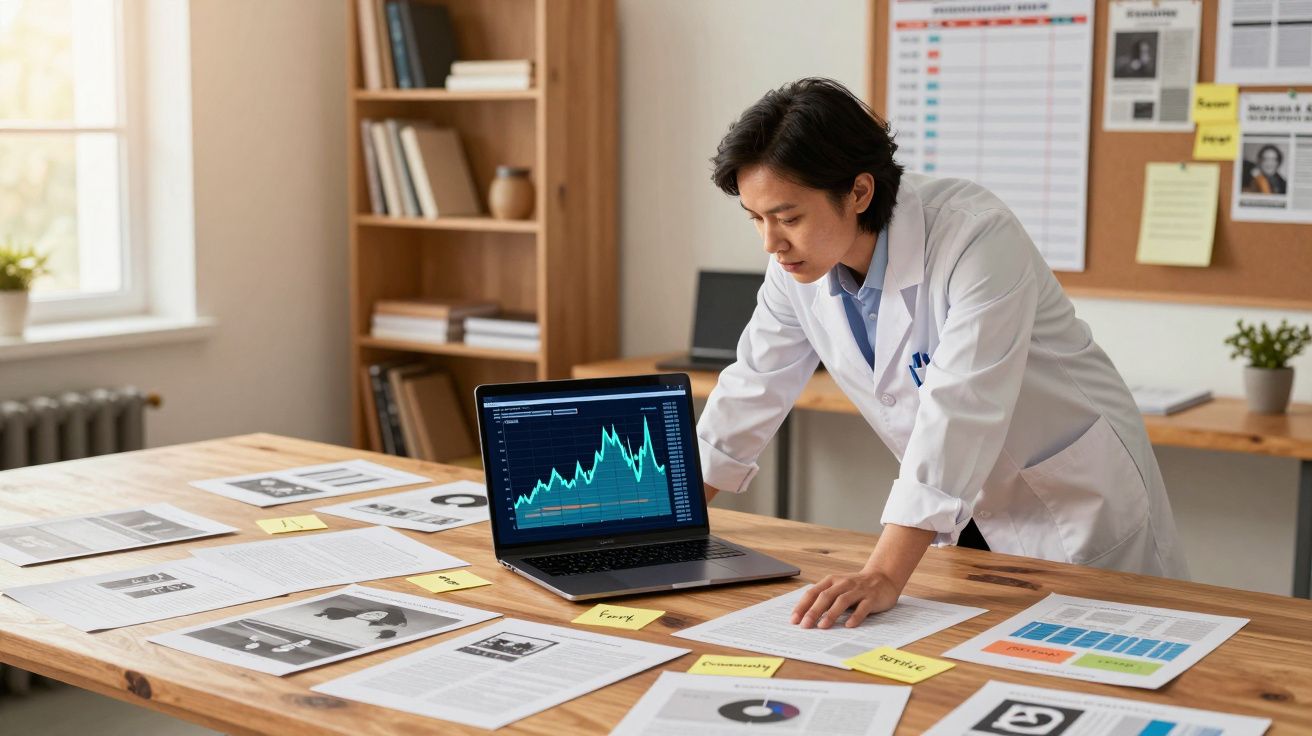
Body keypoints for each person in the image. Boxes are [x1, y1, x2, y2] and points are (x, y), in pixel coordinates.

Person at [696, 78, 1188, 631]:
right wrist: (671, 524)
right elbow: (751, 385)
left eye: (788, 218)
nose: (771, 242)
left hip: (1068, 501)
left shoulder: (976, 238)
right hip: (958, 506)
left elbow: (961, 409)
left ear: (859, 192)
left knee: (1109, 665)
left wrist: (882, 574)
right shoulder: (794, 268)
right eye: (756, 219)